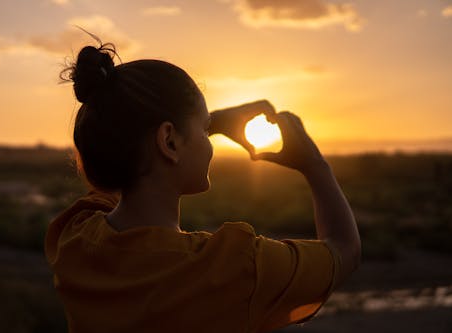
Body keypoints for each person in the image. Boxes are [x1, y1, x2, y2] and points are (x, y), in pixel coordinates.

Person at [45, 38, 361, 333]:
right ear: (168, 140)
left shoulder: (74, 238)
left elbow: (120, 159)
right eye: (205, 128)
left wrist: (197, 126)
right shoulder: (234, 266)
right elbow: (344, 249)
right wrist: (314, 164)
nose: (209, 141)